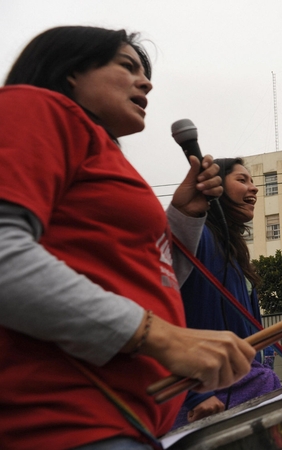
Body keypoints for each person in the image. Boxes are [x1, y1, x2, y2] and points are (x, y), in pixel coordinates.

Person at [0, 26, 256, 449]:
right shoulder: (36, 107)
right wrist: (163, 338)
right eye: (127, 66)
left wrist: (184, 217)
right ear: (70, 71)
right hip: (62, 421)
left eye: (146, 73)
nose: (146, 82)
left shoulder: (105, 156)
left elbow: (147, 278)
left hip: (124, 421)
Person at [173, 158, 281, 429]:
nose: (254, 188)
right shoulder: (196, 237)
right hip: (203, 393)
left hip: (247, 381)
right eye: (242, 180)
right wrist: (197, 393)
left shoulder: (236, 253)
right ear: (215, 188)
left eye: (252, 181)